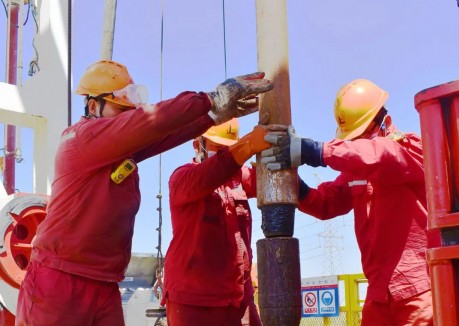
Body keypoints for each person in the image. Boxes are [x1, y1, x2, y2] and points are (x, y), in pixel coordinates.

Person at [15, 59, 274, 326]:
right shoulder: (81, 138)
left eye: (130, 112)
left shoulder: (116, 152)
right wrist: (210, 99)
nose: (127, 118)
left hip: (104, 283)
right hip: (60, 280)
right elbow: (151, 123)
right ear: (93, 106)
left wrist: (212, 117)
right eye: (120, 110)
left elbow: (164, 134)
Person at [261, 79, 440, 325]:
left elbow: (380, 155)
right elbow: (325, 203)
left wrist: (314, 151)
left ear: (384, 123)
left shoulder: (410, 149)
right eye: (353, 139)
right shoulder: (357, 172)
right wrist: (293, 184)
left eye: (361, 136)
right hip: (379, 293)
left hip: (418, 291)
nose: (356, 144)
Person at [162, 118, 280, 326]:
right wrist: (248, 145)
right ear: (197, 144)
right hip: (193, 302)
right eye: (217, 148)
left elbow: (270, 182)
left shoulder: (238, 178)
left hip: (238, 299)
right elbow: (213, 171)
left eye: (229, 148)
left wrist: (283, 157)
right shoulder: (182, 178)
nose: (224, 153)